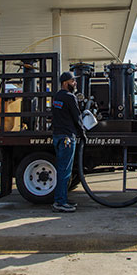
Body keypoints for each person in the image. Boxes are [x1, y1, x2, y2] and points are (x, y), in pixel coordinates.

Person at [51, 71, 86, 213]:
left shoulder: (57, 96)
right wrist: (83, 132)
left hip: (58, 136)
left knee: (62, 170)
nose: (75, 83)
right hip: (67, 138)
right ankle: (60, 202)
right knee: (65, 171)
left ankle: (62, 198)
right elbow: (77, 117)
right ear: (66, 83)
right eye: (73, 81)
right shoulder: (70, 97)